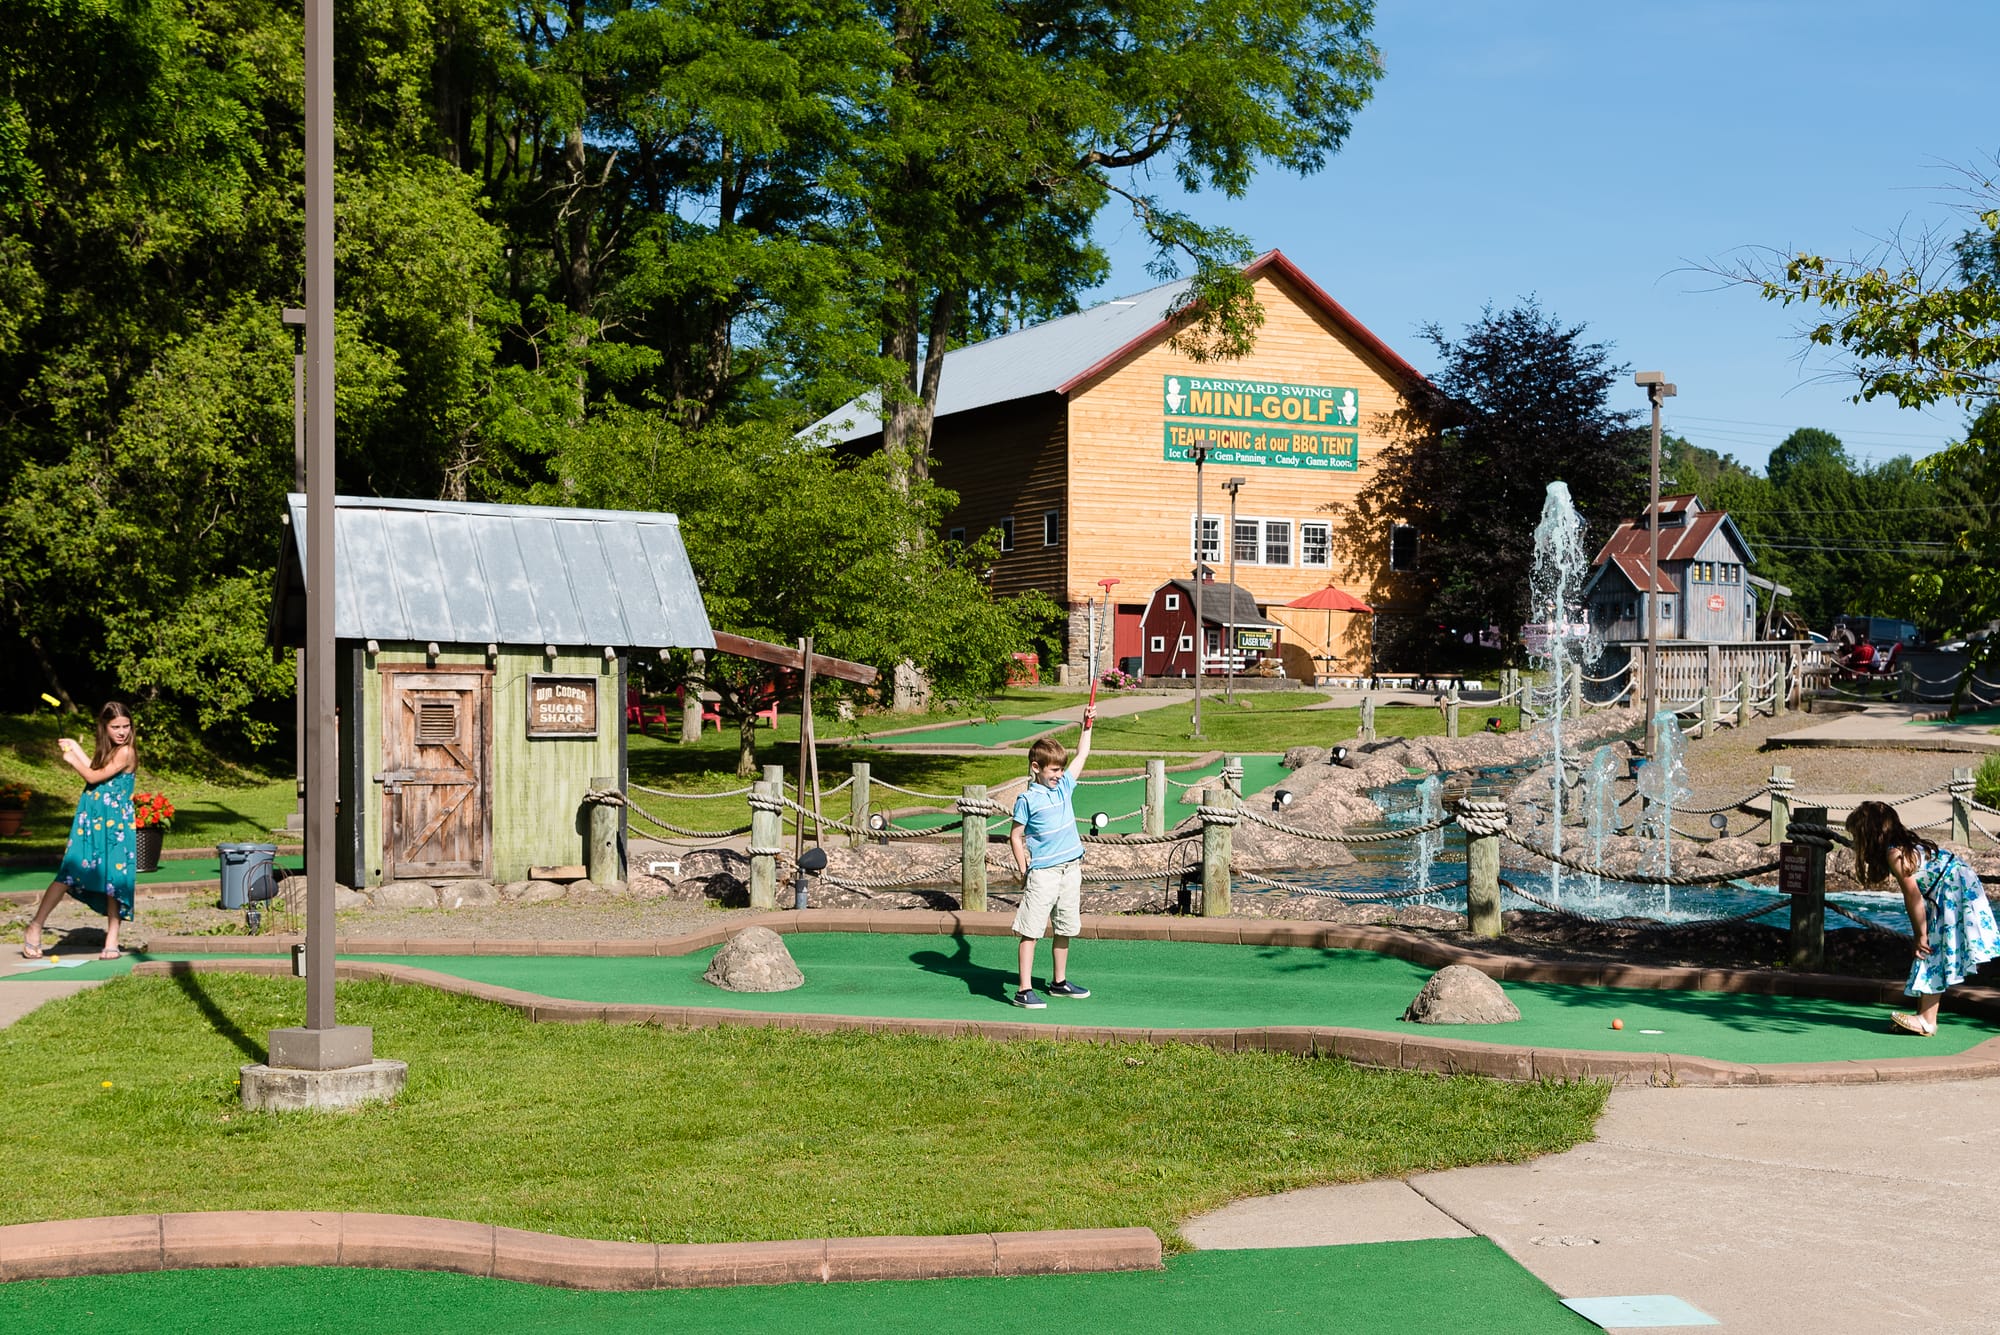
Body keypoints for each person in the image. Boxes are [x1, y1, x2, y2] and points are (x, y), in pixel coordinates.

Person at [1845, 800, 1999, 1036]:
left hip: (1952, 891)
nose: (1856, 842)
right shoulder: (1905, 845)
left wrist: (1920, 934)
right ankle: (1925, 1014)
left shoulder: (1895, 854)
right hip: (1958, 885)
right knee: (1933, 950)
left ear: (1870, 834)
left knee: (1929, 948)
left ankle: (1928, 1020)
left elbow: (1913, 896)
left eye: (1857, 836)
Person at [22, 703, 139, 961]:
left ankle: (112, 939)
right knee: (68, 872)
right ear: (105, 727)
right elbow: (95, 771)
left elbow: (92, 777)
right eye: (115, 727)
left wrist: (72, 760)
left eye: (126, 726)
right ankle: (35, 926)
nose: (122, 732)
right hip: (91, 819)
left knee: (114, 879)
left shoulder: (126, 752)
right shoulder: (109, 750)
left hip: (116, 825)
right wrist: (75, 746)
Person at [1007, 704, 1097, 1008]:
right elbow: (1016, 836)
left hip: (1071, 869)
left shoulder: (1063, 789)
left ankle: (1058, 982)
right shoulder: (1028, 799)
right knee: (1031, 929)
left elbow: (1083, 754)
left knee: (1065, 926)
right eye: (1054, 770)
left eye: (1061, 769)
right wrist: (1024, 869)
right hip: (1043, 872)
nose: (1059, 775)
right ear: (1036, 767)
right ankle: (1023, 989)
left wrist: (1087, 726)